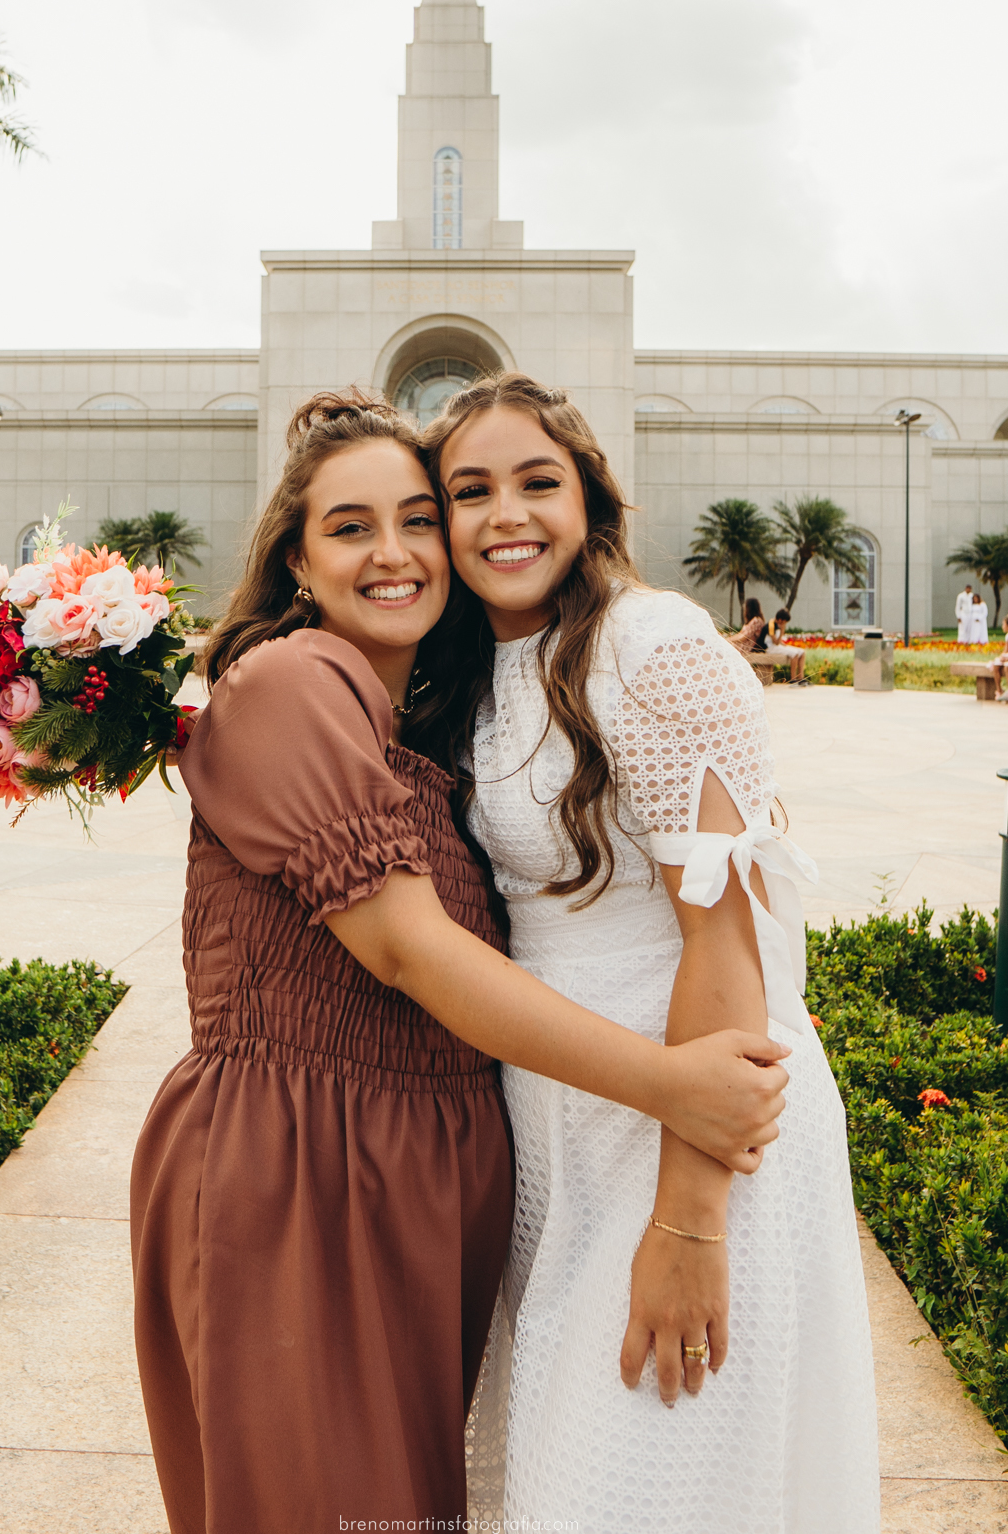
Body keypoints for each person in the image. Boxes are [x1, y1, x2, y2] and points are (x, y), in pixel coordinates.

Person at [131, 390, 790, 1534]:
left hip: (427, 1190)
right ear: (295, 557)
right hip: (303, 1181)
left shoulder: (440, 710)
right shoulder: (293, 680)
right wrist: (673, 1084)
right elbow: (404, 947)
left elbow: (723, 900)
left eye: (418, 518)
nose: (396, 552)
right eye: (350, 527)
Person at [422, 374, 879, 1534]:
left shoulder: (652, 646)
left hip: (693, 1124)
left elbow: (725, 935)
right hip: (563, 1117)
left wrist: (690, 1223)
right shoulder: (481, 667)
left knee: (643, 1479)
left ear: (589, 498)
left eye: (537, 481)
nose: (503, 515)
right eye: (468, 491)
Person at [763, 606, 809, 683]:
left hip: (776, 646)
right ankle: (793, 679)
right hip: (769, 648)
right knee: (794, 654)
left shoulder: (777, 624)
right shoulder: (771, 625)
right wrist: (782, 631)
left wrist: (785, 645)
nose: (784, 624)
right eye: (784, 622)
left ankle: (801, 678)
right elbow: (775, 642)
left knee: (802, 652)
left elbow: (778, 642)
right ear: (780, 620)